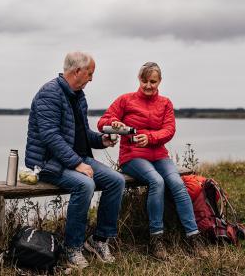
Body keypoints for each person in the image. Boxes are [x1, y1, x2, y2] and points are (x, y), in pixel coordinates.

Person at [97, 62, 208, 259]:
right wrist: (113, 123)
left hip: (159, 155)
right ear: (139, 79)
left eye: (153, 81)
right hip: (133, 156)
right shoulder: (125, 100)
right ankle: (156, 239)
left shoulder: (165, 103)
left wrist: (150, 138)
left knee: (176, 183)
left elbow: (169, 130)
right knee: (157, 181)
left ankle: (193, 236)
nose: (148, 85)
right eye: (144, 81)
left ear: (160, 81)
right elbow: (102, 122)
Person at [25, 51, 125, 269]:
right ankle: (73, 248)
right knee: (85, 184)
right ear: (77, 71)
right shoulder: (49, 94)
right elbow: (50, 136)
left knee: (116, 180)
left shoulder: (78, 95)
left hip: (73, 158)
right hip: (47, 163)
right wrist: (77, 164)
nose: (91, 78)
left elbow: (81, 133)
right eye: (90, 73)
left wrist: (103, 140)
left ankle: (98, 240)